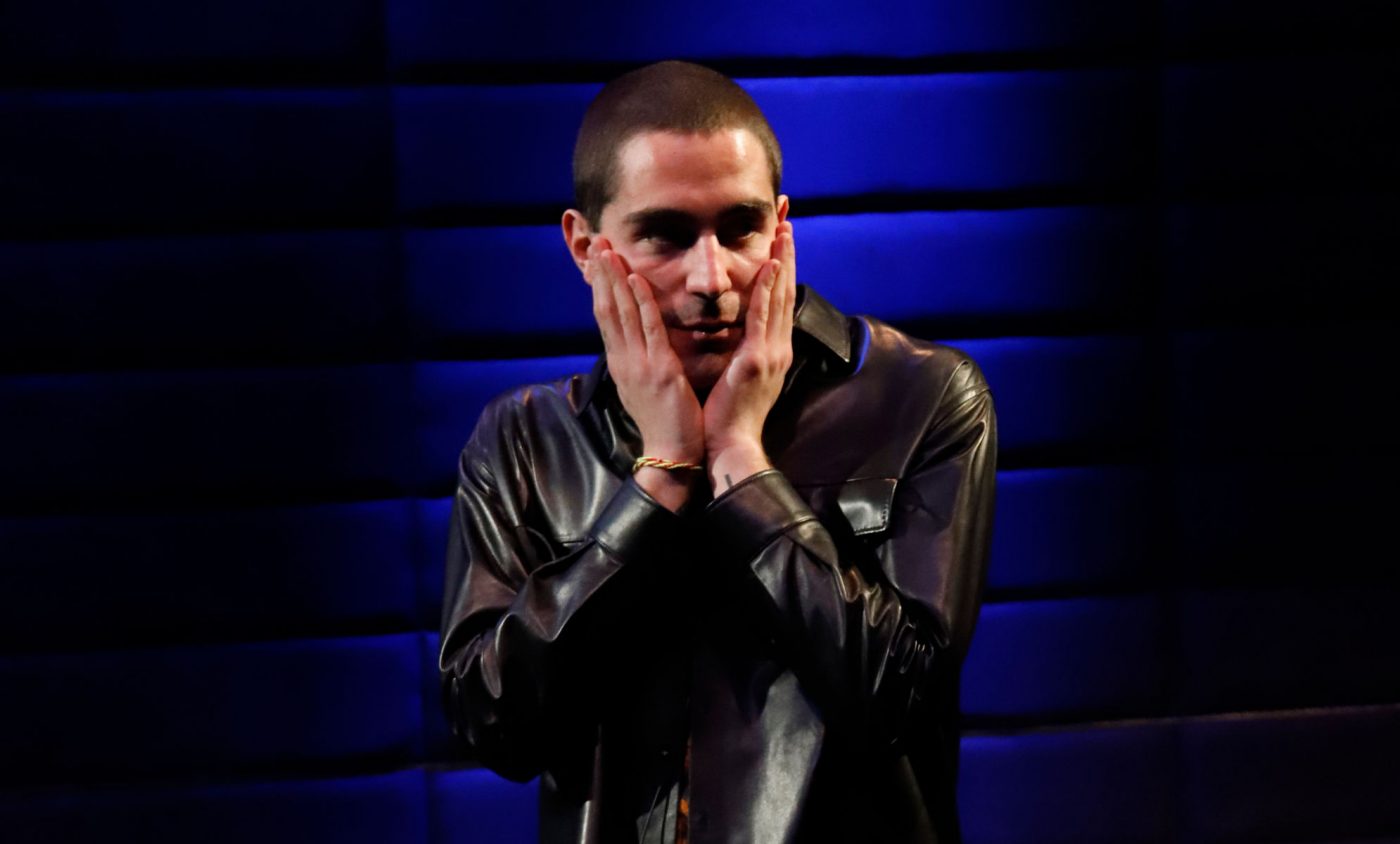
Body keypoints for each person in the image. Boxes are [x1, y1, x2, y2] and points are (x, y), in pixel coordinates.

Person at [440, 60, 997, 844]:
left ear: (781, 226)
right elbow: (496, 726)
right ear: (585, 247)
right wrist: (659, 481)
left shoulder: (920, 396)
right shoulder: (525, 439)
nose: (713, 278)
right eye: (665, 235)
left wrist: (742, 464)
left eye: (740, 229)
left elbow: (899, 699)